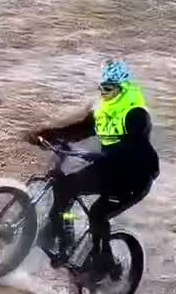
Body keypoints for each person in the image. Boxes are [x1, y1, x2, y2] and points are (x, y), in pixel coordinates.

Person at [22, 60, 159, 282]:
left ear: (122, 89)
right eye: (102, 88)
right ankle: (60, 235)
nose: (104, 93)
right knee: (65, 187)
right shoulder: (104, 111)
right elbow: (80, 129)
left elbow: (134, 146)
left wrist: (100, 156)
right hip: (109, 168)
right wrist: (46, 135)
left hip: (135, 176)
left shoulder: (137, 115)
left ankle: (104, 264)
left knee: (98, 213)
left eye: (109, 88)